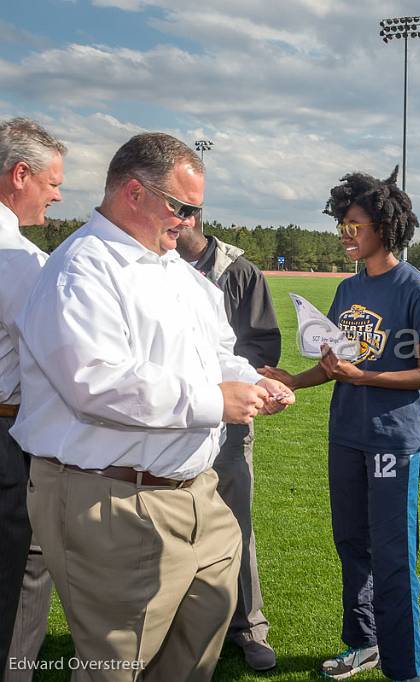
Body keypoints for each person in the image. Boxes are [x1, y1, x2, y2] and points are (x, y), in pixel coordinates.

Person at [11, 132, 294, 680]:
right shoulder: (82, 268)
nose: (188, 222)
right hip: (113, 498)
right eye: (179, 206)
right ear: (133, 193)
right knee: (117, 665)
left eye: (195, 210)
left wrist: (251, 383)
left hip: (197, 495)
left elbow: (218, 352)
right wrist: (214, 401)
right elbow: (95, 384)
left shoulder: (177, 273)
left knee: (195, 652)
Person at [258, 167, 420, 682]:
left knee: (392, 554)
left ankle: (403, 669)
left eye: (354, 224)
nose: (345, 233)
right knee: (351, 544)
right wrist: (293, 380)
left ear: (383, 227)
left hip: (392, 441)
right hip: (345, 434)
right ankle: (363, 644)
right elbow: (334, 363)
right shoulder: (346, 288)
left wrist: (364, 376)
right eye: (342, 223)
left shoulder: (415, 289)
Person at [175, 210, 282, 671]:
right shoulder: (149, 266)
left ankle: (248, 626)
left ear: (191, 216)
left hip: (230, 422)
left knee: (236, 522)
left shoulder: (238, 272)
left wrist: (221, 386)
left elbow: (262, 347)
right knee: (172, 526)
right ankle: (179, 626)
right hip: (171, 422)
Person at [0, 117, 64, 680]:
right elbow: (57, 364)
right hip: (8, 438)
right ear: (20, 174)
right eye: (51, 181)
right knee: (21, 573)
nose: (58, 193)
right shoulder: (18, 260)